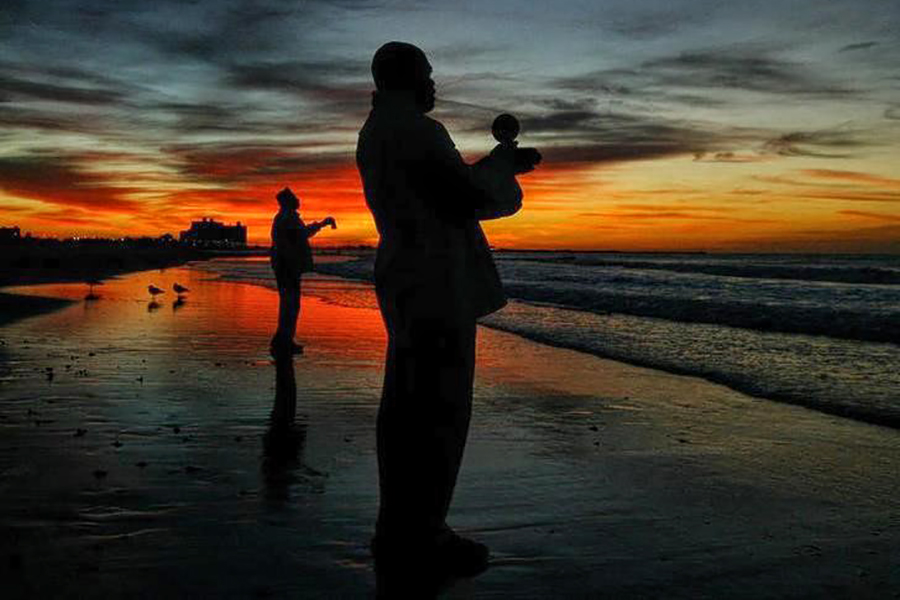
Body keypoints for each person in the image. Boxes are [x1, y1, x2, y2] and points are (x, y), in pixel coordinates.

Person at [356, 41, 540, 584]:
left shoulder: (380, 131)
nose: (434, 84)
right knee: (437, 411)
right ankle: (424, 536)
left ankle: (399, 529)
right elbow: (463, 197)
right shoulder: (415, 131)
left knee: (407, 409)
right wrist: (504, 166)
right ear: (406, 78)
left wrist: (495, 165)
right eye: (427, 75)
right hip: (436, 283)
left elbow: (443, 188)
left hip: (410, 280)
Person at [269, 187, 335, 356]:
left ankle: (282, 340)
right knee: (290, 303)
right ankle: (283, 342)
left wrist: (321, 224)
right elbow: (300, 235)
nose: (298, 200)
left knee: (288, 303)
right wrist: (322, 224)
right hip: (287, 266)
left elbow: (299, 235)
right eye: (295, 198)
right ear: (288, 201)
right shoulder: (287, 217)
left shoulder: (285, 217)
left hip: (286, 265)